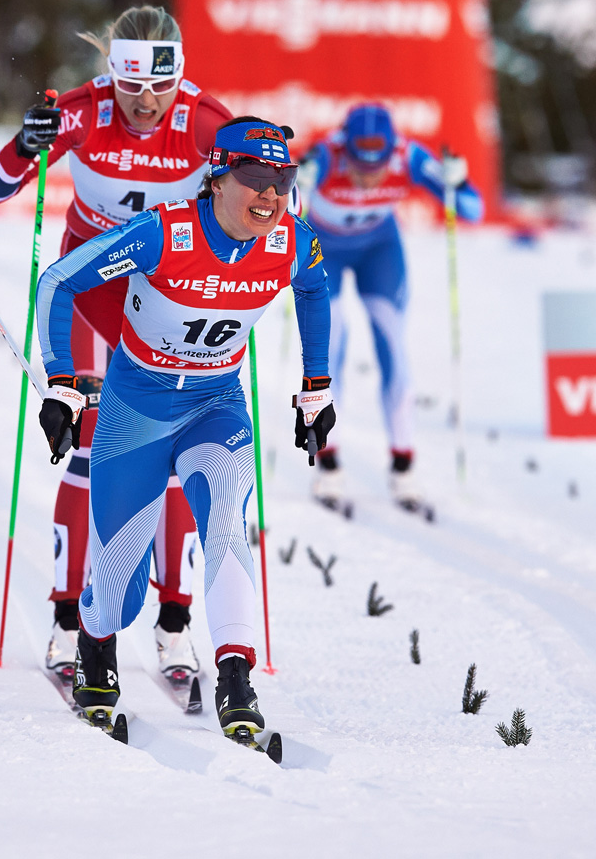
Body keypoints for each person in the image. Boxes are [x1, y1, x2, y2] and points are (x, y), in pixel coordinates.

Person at [34, 117, 335, 735]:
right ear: (216, 180)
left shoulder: (292, 241)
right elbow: (58, 281)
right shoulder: (161, 234)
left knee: (229, 521)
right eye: (255, 178)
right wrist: (63, 384)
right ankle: (95, 649)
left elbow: (314, 290)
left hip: (216, 406)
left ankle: (235, 678)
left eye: (283, 179)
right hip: (135, 411)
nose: (270, 195)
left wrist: (317, 386)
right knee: (122, 582)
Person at [0, 6, 233, 681]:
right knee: (88, 443)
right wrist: (22, 144)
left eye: (161, 86)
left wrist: (268, 174)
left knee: (172, 453)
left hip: (164, 300)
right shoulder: (84, 112)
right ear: (110, 73)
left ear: (180, 74)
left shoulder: (206, 121)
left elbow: (269, 201)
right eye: (131, 86)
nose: (146, 103)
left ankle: (173, 625)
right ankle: (68, 618)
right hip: (89, 291)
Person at [298, 101, 483, 511]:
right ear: (346, 149)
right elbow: (283, 206)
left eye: (376, 168)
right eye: (359, 168)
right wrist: (300, 182)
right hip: (323, 248)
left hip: (379, 249)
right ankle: (328, 464)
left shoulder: (408, 156)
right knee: (329, 352)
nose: (368, 178)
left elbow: (473, 209)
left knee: (393, 346)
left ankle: (403, 465)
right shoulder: (327, 153)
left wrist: (459, 182)